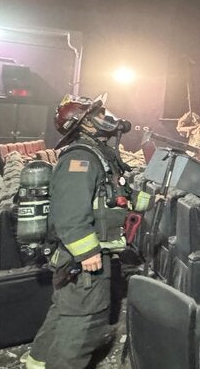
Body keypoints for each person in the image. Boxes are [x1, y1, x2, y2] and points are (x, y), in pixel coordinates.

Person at [25, 94, 132, 369]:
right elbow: (70, 210)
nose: (106, 118)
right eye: (98, 115)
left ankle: (37, 362)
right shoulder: (81, 158)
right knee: (84, 323)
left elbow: (109, 197)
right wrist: (86, 251)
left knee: (66, 312)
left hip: (80, 255)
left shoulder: (95, 154)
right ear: (83, 125)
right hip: (83, 259)